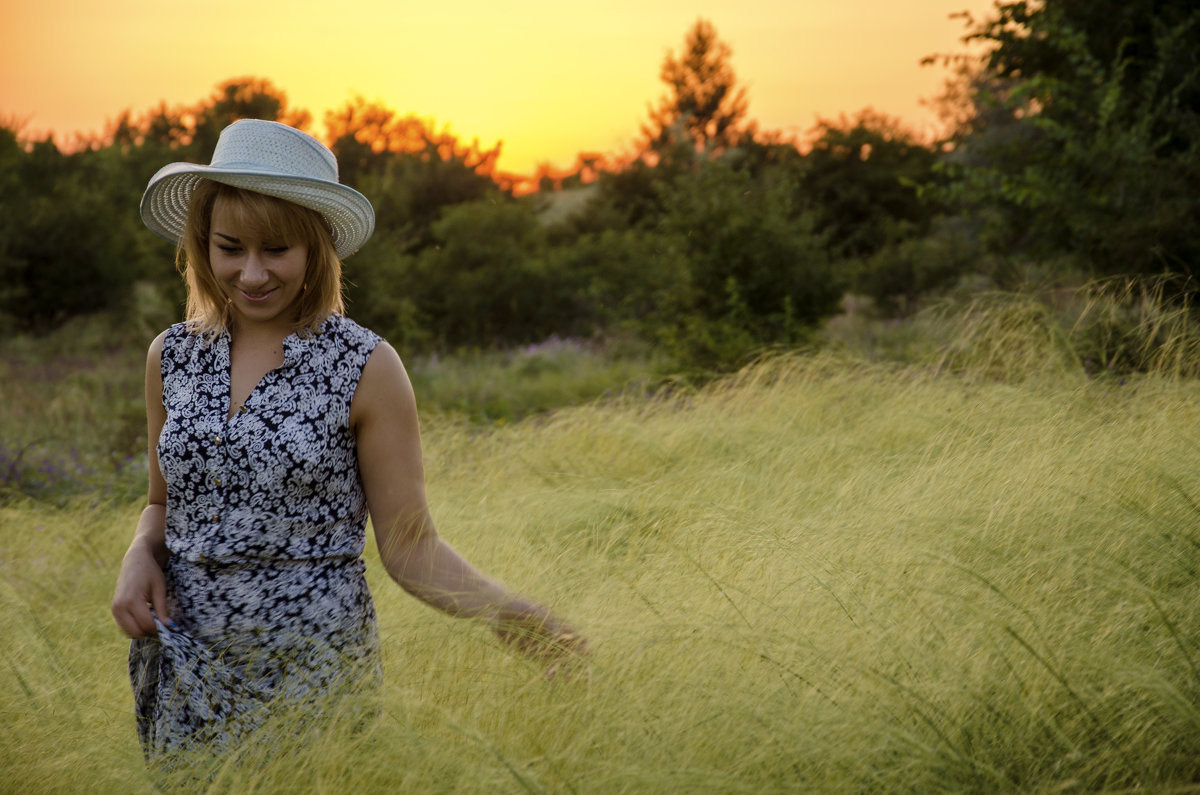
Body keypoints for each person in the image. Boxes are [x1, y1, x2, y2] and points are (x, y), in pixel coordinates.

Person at [110, 119, 587, 763]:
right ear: (202, 243)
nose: (251, 273)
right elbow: (162, 505)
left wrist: (510, 613)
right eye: (230, 247)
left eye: (276, 249)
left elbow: (411, 545)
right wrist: (141, 551)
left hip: (312, 673)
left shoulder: (366, 366)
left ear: (315, 247)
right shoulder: (170, 357)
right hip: (183, 669)